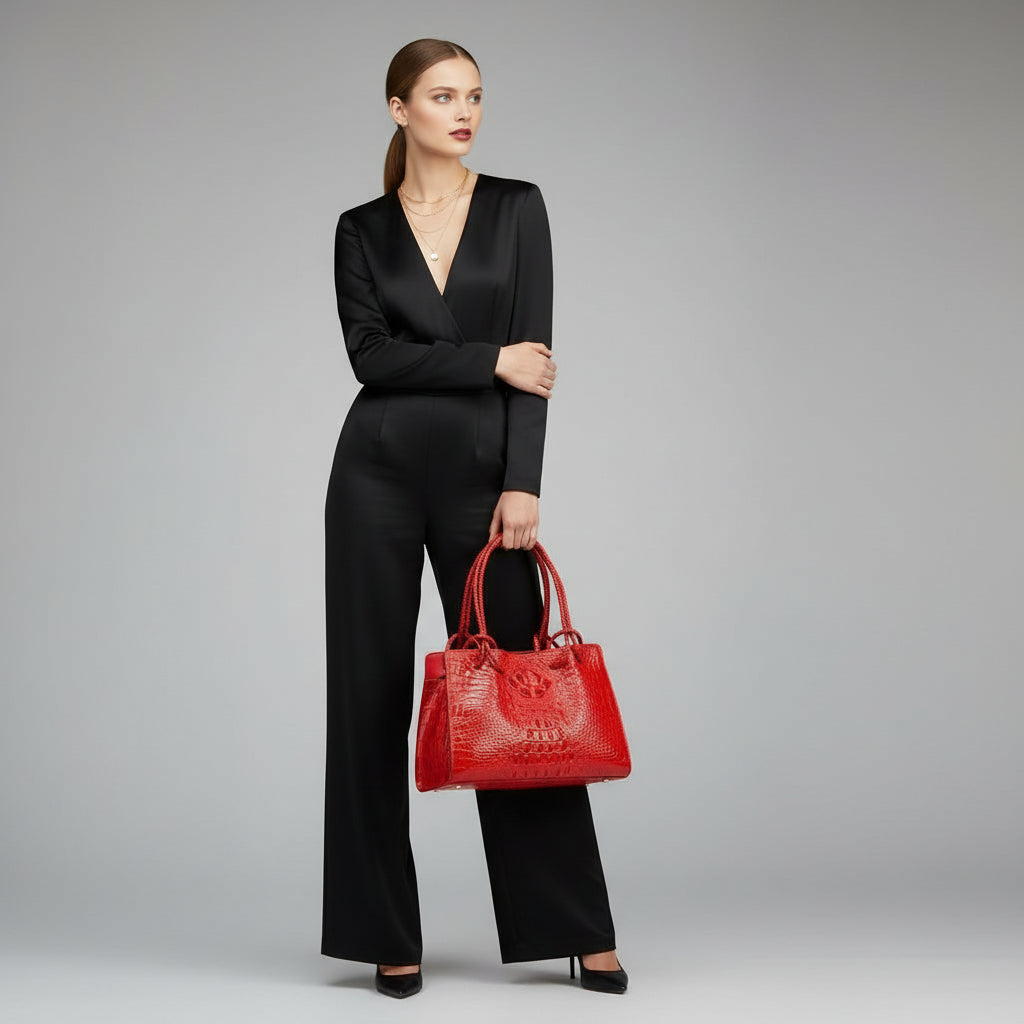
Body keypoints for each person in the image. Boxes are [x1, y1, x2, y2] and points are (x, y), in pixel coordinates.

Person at [321, 38, 628, 999]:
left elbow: (539, 356)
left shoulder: (516, 207)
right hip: (373, 477)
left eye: (476, 96)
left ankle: (574, 926)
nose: (464, 112)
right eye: (443, 95)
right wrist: (489, 360)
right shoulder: (361, 228)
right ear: (397, 108)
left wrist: (523, 484)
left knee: (520, 697)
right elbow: (370, 361)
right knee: (367, 700)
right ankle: (384, 931)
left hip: (486, 486)